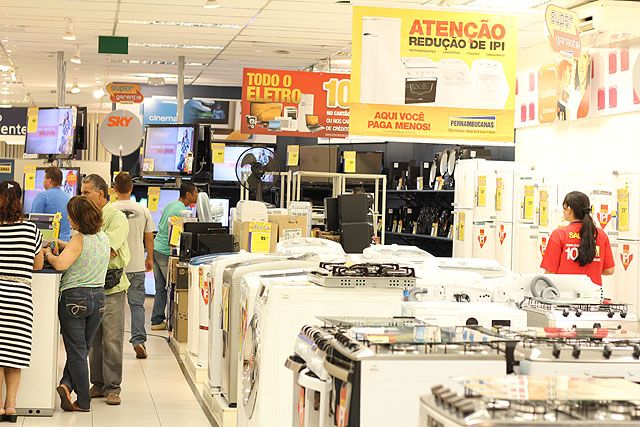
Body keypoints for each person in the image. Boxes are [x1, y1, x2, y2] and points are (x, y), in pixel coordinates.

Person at [44, 196, 109, 412]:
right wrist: (65, 245)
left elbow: (61, 264)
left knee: (77, 352)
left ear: (78, 218)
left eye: (71, 216)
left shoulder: (79, 239)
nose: (68, 220)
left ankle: (83, 401)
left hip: (74, 300)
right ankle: (66, 385)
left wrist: (49, 255)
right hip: (98, 300)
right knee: (83, 349)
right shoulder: (103, 238)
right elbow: (81, 252)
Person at [80, 174, 130, 406]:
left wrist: (84, 249)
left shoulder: (116, 218)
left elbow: (108, 249)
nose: (82, 196)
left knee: (111, 339)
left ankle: (113, 387)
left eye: (86, 192)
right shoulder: (86, 218)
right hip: (91, 286)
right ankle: (97, 384)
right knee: (93, 339)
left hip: (112, 288)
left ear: (100, 194)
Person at [0, 181, 43, 423]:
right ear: (20, 201)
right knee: (13, 357)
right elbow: (37, 266)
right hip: (19, 300)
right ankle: (11, 408)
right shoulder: (31, 230)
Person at [111, 172, 156, 359]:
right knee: (137, 305)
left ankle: (114, 343)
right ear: (131, 188)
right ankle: (138, 341)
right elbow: (149, 237)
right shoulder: (143, 210)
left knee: (115, 307)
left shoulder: (110, 210)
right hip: (137, 265)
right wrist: (149, 258)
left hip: (115, 267)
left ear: (114, 188)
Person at [540, 191, 615, 288]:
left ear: (569, 209)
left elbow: (550, 272)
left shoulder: (559, 234)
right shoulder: (601, 235)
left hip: (564, 296)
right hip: (594, 298)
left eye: (564, 208)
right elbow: (609, 270)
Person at [151, 183, 198, 330]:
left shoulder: (170, 205)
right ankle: (174, 323)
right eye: (195, 192)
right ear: (188, 194)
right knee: (173, 287)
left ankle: (157, 320)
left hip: (156, 247)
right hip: (165, 252)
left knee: (161, 288)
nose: (197, 195)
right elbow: (176, 236)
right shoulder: (182, 211)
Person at [30, 166, 72, 241]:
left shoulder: (42, 197)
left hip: (49, 244)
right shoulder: (68, 197)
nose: (43, 181)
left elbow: (34, 223)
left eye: (44, 178)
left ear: (49, 180)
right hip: (65, 244)